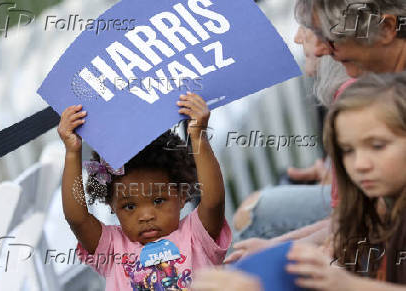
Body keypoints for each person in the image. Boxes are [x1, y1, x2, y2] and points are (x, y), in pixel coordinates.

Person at [57, 92, 231, 290]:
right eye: (129, 206)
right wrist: (72, 153)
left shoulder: (197, 236)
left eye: (158, 200)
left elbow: (214, 201)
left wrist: (198, 136)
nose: (146, 215)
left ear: (182, 195)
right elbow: (77, 219)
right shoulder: (112, 248)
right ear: (111, 205)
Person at [228, 0, 351, 263]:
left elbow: (355, 221)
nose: (296, 38)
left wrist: (276, 248)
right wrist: (333, 167)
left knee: (254, 214)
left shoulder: (354, 99)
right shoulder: (356, 93)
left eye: (306, 27)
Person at [287, 72, 406, 290]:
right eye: (347, 150)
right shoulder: (383, 209)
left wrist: (347, 284)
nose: (359, 164)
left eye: (378, 145)